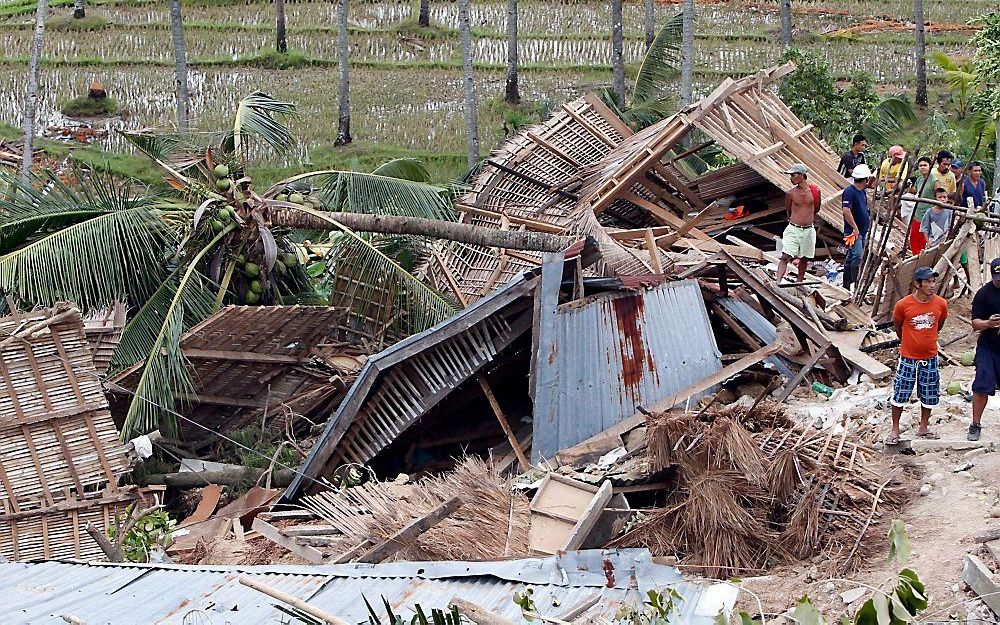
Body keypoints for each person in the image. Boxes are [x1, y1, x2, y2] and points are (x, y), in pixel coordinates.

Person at [888, 266, 948, 444]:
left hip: (930, 357)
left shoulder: (941, 304)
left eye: (933, 281)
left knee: (929, 392)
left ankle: (923, 427)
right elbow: (898, 327)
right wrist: (908, 341)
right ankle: (895, 429)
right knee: (900, 392)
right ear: (917, 284)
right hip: (908, 357)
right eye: (928, 281)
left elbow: (939, 324)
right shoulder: (903, 305)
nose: (932, 285)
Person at [969, 258, 1000, 441]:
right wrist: (988, 323)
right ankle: (975, 424)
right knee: (981, 385)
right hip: (989, 347)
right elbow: (975, 323)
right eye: (997, 278)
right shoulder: (984, 294)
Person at [776, 164, 820, 283]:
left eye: (793, 175)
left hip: (808, 229)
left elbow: (816, 208)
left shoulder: (815, 191)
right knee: (785, 256)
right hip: (794, 228)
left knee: (805, 257)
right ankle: (778, 282)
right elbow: (788, 210)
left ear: (801, 175)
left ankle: (799, 281)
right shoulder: (791, 194)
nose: (791, 178)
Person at [842, 163, 872, 291]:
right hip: (854, 232)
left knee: (851, 256)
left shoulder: (862, 192)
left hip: (862, 230)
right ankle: (854, 281)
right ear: (865, 179)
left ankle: (846, 283)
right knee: (857, 256)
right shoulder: (849, 192)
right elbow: (846, 211)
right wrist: (855, 228)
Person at [908, 156, 938, 254]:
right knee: (914, 239)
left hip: (928, 215)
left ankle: (922, 261)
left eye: (925, 165)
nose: (922, 167)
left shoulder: (934, 180)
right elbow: (914, 191)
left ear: (930, 166)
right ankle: (915, 259)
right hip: (918, 214)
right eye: (920, 165)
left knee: (924, 241)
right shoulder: (920, 179)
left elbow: (939, 196)